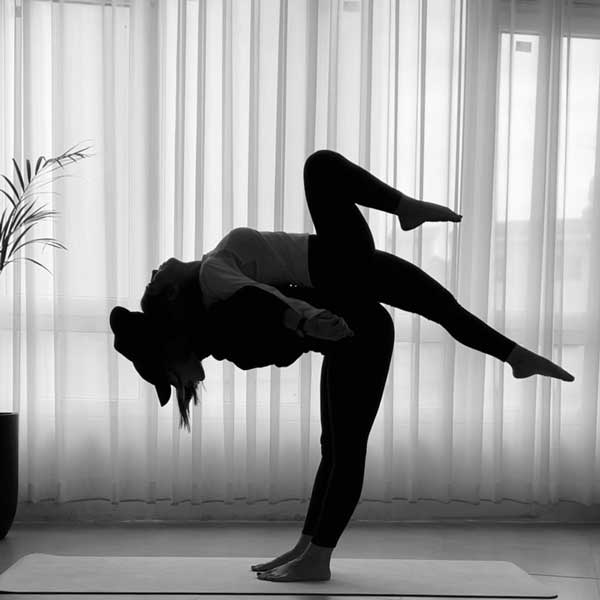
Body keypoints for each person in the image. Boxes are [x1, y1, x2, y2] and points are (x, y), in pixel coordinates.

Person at [112, 149, 575, 583]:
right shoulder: (216, 278)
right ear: (172, 295)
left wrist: (306, 321)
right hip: (343, 285)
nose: (155, 271)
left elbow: (261, 301)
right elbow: (264, 300)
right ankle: (310, 551)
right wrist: (307, 319)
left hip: (346, 290)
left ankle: (512, 354)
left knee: (432, 316)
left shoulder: (217, 278)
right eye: (155, 281)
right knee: (340, 443)